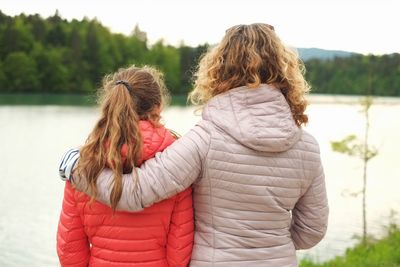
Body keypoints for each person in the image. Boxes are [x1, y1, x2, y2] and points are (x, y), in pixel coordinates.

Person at [60, 23, 329, 267]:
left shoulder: (204, 140)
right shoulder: (307, 147)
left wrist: (75, 167)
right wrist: (270, 244)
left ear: (219, 70)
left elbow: (133, 193)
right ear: (285, 71)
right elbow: (311, 231)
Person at [56, 65, 194, 267]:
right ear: (158, 106)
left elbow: (70, 247)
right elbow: (179, 251)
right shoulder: (175, 161)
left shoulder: (83, 164)